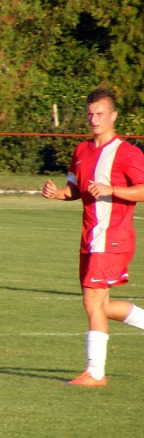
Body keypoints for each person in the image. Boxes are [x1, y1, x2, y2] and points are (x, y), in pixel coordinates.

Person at [42, 88, 144, 387]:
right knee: (103, 304)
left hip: (112, 239)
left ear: (113, 116)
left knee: (92, 302)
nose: (94, 119)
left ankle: (95, 373)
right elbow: (74, 190)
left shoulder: (128, 153)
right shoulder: (82, 151)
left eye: (100, 113)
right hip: (90, 239)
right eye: (90, 113)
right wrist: (56, 194)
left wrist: (113, 189)